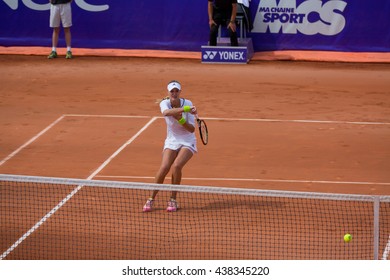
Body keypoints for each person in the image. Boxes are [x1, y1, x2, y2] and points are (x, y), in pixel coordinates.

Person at [143, 80, 198, 212]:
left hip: (187, 140)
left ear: (180, 92)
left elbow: (191, 129)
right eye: (172, 91)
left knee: (177, 165)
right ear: (168, 92)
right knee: (164, 167)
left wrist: (181, 119)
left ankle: (173, 200)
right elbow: (166, 113)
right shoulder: (165, 103)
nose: (174, 93)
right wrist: (185, 110)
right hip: (172, 140)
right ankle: (151, 199)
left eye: (176, 91)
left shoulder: (189, 103)